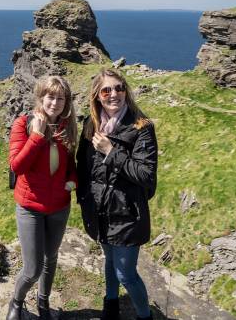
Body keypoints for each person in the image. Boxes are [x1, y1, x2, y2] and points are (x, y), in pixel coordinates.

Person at [76, 69, 158, 320]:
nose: (114, 94)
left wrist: (111, 151)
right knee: (109, 260)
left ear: (126, 91)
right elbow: (82, 164)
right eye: (106, 90)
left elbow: (146, 175)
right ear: (97, 96)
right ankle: (110, 305)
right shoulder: (91, 124)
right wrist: (83, 198)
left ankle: (146, 317)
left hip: (127, 214)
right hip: (99, 211)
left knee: (126, 274)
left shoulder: (142, 127)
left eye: (119, 88)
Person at [6, 76, 78, 320]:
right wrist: (37, 136)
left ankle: (43, 302)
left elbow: (71, 164)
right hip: (30, 207)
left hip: (59, 206)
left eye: (60, 98)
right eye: (50, 96)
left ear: (66, 101)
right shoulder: (23, 124)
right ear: (41, 98)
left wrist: (73, 181)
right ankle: (16, 302)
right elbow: (17, 166)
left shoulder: (68, 126)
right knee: (32, 268)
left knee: (51, 258)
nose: (55, 103)